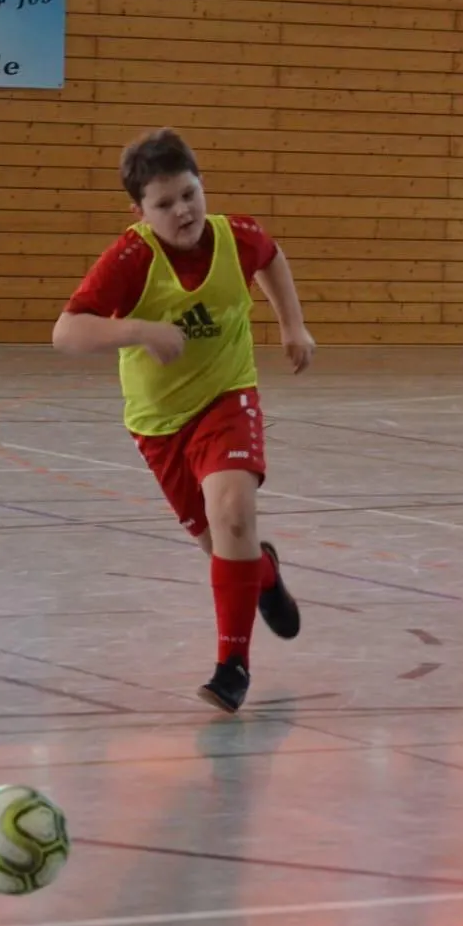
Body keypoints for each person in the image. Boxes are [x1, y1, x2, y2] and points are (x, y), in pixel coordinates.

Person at [51, 127, 315, 713]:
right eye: (165, 203)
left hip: (226, 397)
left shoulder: (236, 236)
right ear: (140, 213)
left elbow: (271, 256)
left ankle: (232, 667)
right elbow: (65, 332)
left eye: (190, 194)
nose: (183, 211)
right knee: (221, 545)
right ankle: (264, 576)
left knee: (234, 514)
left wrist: (292, 325)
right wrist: (137, 330)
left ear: (202, 186)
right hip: (160, 424)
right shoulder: (131, 259)